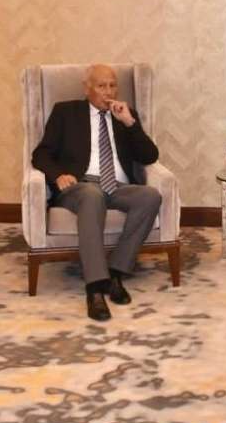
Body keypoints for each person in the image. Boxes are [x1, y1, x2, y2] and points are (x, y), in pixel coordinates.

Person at [32, 64, 162, 321]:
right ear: (87, 88)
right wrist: (58, 175)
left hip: (117, 186)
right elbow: (41, 154)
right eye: (102, 86)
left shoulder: (125, 115)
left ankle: (115, 273)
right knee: (93, 195)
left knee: (150, 196)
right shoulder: (66, 112)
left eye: (113, 85)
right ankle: (95, 288)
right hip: (80, 186)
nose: (108, 92)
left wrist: (130, 123)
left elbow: (150, 156)